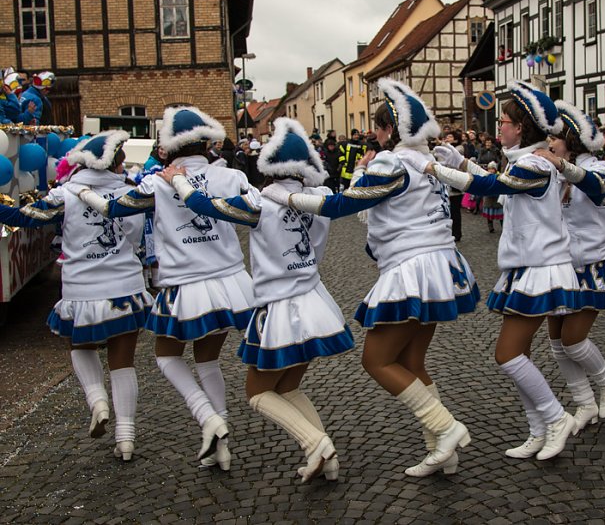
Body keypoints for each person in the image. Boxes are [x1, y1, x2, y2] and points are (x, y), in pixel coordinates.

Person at [261, 78, 479, 477]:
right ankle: (441, 450)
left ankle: (447, 429)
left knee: (376, 361)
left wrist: (287, 197)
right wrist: (363, 171)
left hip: (412, 269)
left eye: (377, 129)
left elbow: (341, 206)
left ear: (389, 129)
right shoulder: (425, 160)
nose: (373, 137)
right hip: (440, 265)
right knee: (411, 361)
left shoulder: (392, 162)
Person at [158, 117, 354, 482]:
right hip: (315, 302)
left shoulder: (260, 204)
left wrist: (178, 180)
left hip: (281, 309)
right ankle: (326, 457)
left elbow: (206, 205)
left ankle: (316, 444)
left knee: (257, 392)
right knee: (288, 387)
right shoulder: (320, 199)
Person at [66, 106, 256, 471]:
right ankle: (221, 445)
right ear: (205, 142)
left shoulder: (157, 184)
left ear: (170, 146)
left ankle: (208, 418)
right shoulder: (231, 176)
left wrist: (81, 190)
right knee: (208, 360)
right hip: (230, 283)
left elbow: (114, 208)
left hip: (186, 285)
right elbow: (256, 210)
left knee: (167, 357)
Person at [412, 80, 581, 461]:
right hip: (527, 267)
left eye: (503, 121)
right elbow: (499, 183)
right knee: (519, 353)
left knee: (507, 354)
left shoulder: (535, 164)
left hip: (541, 269)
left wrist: (438, 169)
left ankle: (557, 418)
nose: (499, 127)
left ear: (520, 128)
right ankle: (538, 428)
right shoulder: (525, 162)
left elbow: (495, 183)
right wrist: (460, 162)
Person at [0, 131, 151, 461]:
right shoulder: (130, 192)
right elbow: (139, 237)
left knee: (81, 347)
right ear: (117, 162)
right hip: (124, 287)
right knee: (123, 364)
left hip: (81, 288)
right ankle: (126, 438)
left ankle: (97, 401)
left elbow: (23, 218)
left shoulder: (66, 193)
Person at [532, 100, 605, 430]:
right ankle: (584, 401)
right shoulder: (562, 170)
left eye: (555, 138)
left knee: (574, 339)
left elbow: (595, 187)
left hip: (592, 265)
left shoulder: (600, 169)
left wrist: (559, 164)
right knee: (557, 343)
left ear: (571, 140)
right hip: (564, 265)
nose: (550, 143)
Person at [480, 161, 503, 233]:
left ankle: (503, 227)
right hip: (488, 198)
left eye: (492, 169)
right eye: (489, 169)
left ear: (495, 169)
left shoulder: (499, 176)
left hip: (497, 198)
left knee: (501, 215)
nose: (491, 170)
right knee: (489, 214)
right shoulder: (485, 176)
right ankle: (490, 227)